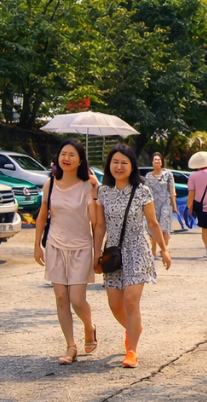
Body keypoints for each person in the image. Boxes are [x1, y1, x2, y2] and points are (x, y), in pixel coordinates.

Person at [96, 144, 171, 368]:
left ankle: (132, 350)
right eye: (115, 162)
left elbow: (152, 223)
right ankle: (134, 328)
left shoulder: (142, 191)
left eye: (124, 162)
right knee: (114, 304)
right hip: (113, 252)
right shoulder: (103, 191)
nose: (119, 166)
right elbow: (100, 225)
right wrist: (95, 254)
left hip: (138, 249)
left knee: (130, 300)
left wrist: (164, 250)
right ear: (109, 165)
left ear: (132, 166)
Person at [34, 138, 102, 365]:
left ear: (81, 160)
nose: (66, 158)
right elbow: (43, 216)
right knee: (61, 297)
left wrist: (94, 192)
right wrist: (37, 246)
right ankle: (70, 346)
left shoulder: (87, 186)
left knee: (77, 299)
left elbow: (95, 222)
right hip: (55, 245)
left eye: (72, 155)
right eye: (63, 154)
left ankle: (89, 326)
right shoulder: (50, 183)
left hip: (81, 247)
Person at [144, 153, 176, 259]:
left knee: (164, 228)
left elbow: (172, 191)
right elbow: (145, 192)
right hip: (152, 204)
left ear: (161, 162)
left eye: (159, 159)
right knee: (153, 228)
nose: (157, 161)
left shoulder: (168, 174)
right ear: (152, 162)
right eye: (155, 160)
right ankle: (153, 252)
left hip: (165, 204)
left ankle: (163, 250)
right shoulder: (148, 176)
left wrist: (175, 206)